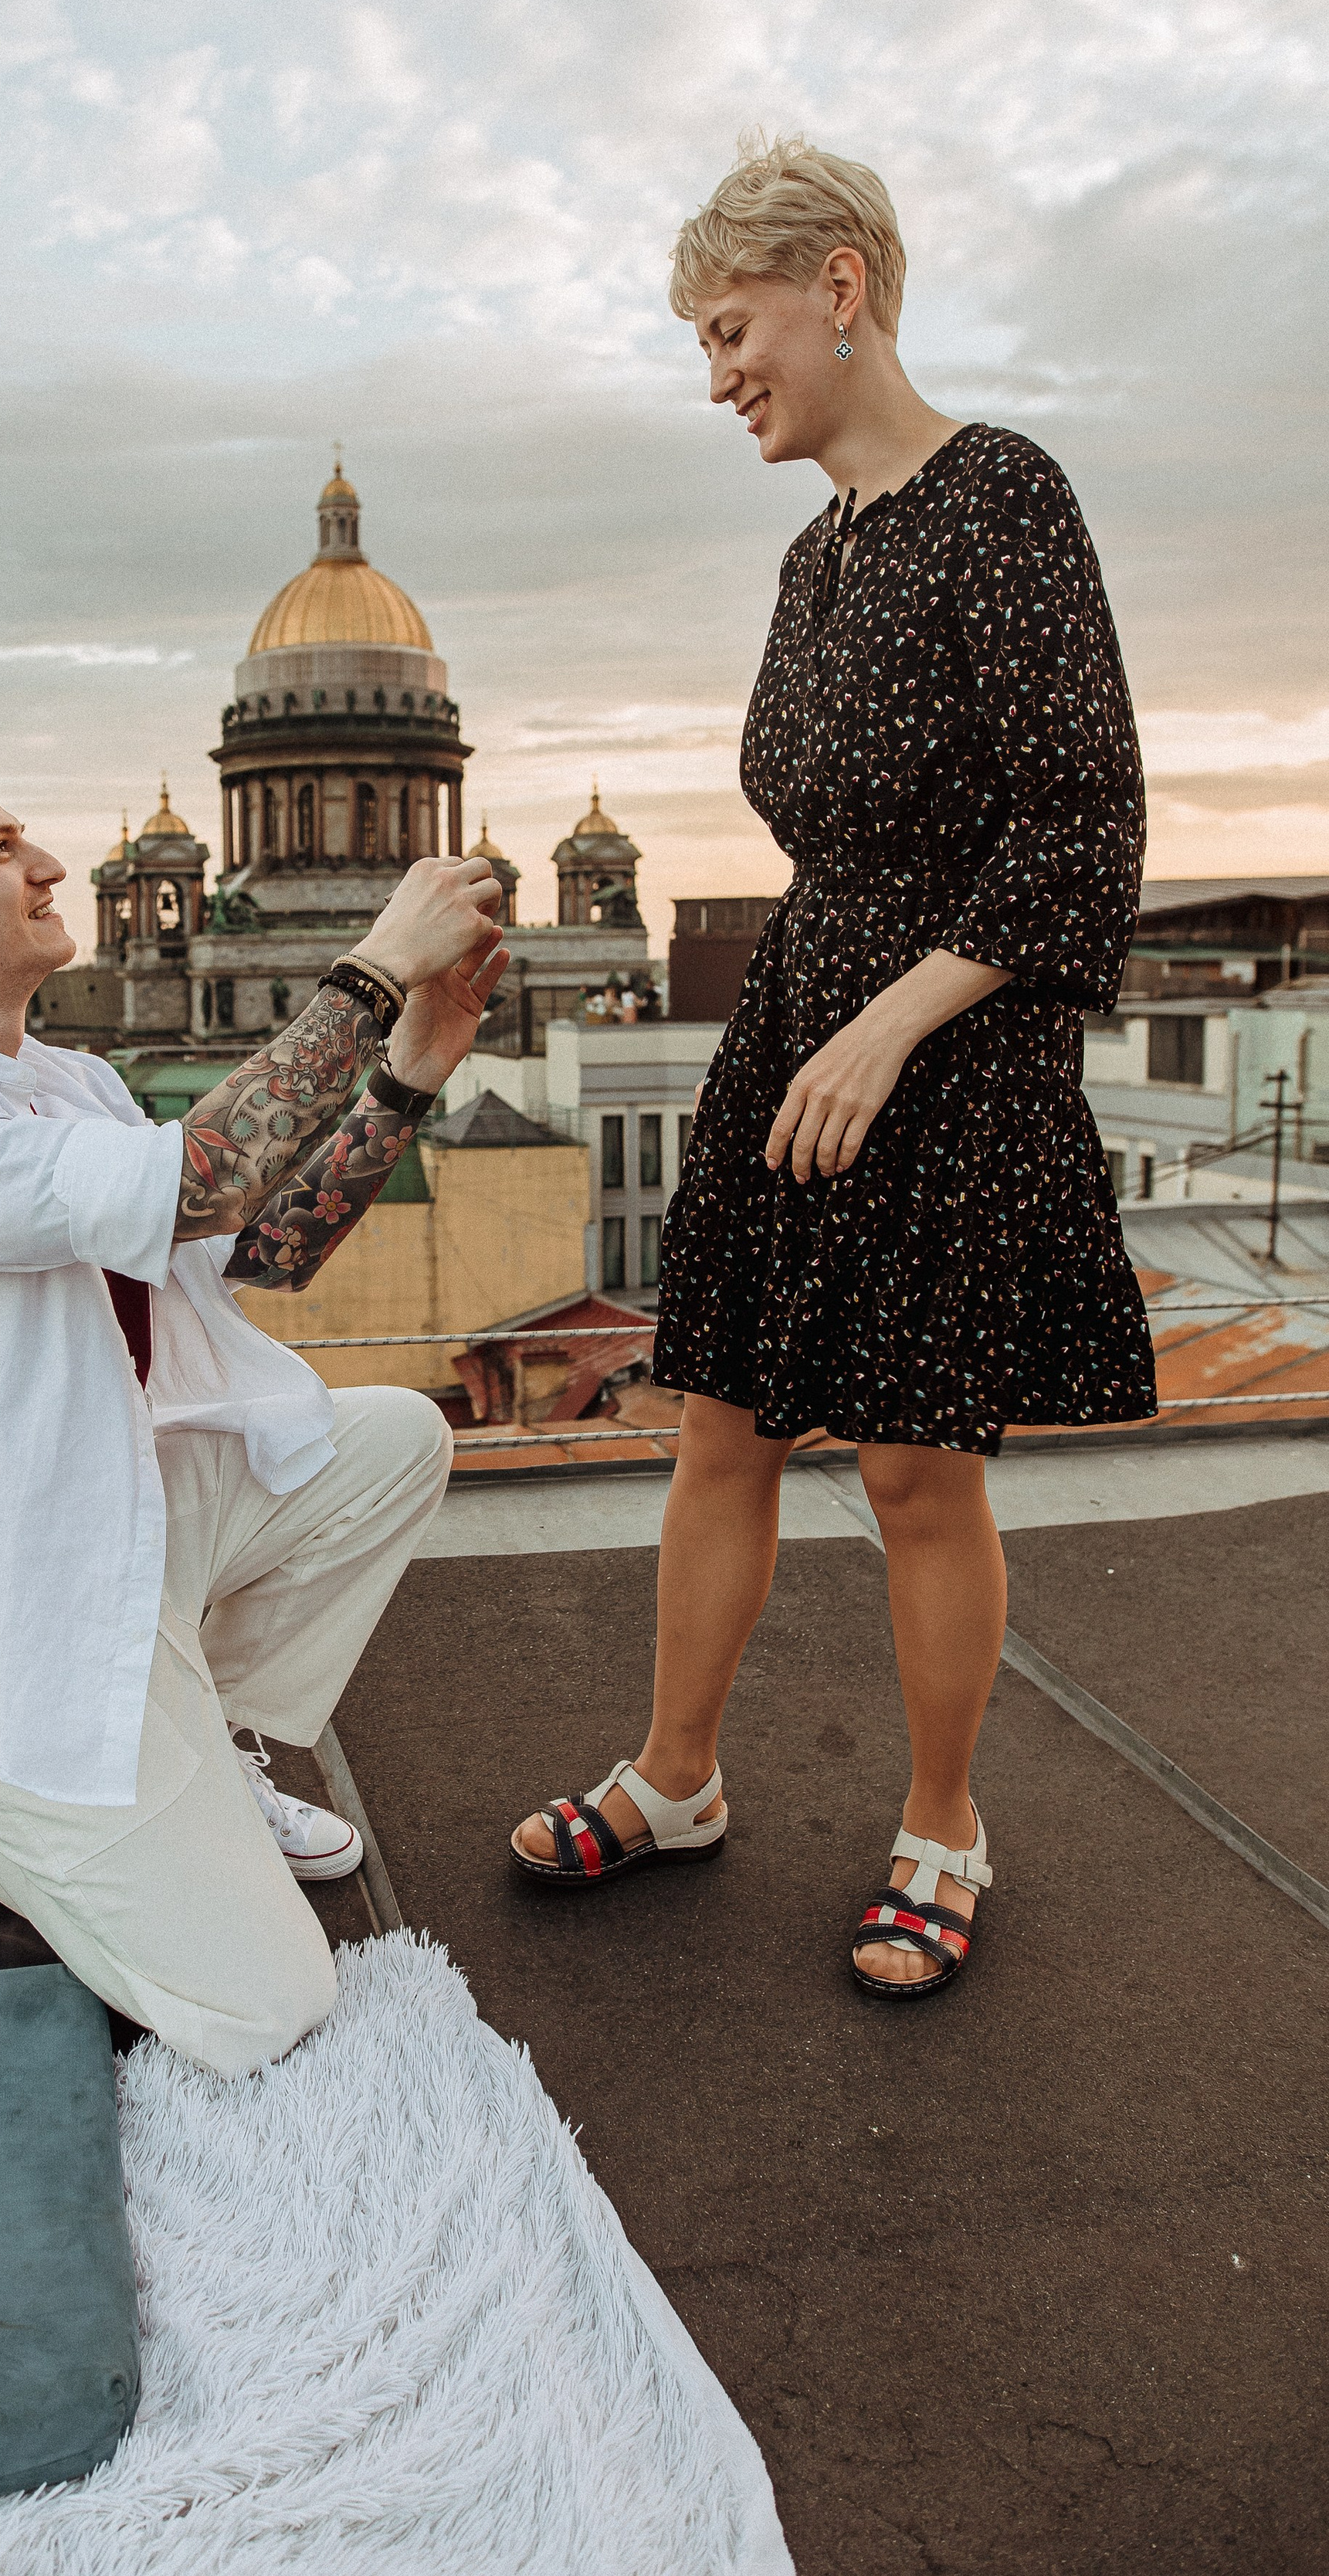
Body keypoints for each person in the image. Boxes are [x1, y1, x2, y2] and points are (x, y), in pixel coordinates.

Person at [510, 137, 1155, 2000]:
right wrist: (820, 1019)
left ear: (840, 286)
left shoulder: (999, 494)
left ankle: (940, 1827)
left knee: (909, 1470)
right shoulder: (818, 551)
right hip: (804, 1027)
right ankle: (676, 1778)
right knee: (718, 1422)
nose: (715, 374)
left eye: (728, 329)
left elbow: (1080, 825)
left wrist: (886, 1022)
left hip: (939, 1047)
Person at [0, 762, 504, 2072]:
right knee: (269, 2006)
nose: (47, 865)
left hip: (125, 1508)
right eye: (0, 849)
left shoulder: (73, 1081)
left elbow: (255, 1248)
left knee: (393, 1440)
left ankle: (197, 1740)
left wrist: (409, 1072)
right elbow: (208, 1174)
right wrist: (380, 959)